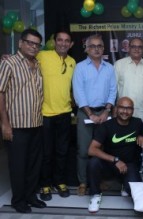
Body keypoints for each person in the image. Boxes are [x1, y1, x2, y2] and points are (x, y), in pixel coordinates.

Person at [0, 29, 46, 213]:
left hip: (36, 123)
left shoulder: (37, 64)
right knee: (18, 165)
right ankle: (18, 200)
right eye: (30, 42)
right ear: (20, 43)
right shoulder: (8, 63)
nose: (33, 47)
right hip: (16, 126)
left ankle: (30, 196)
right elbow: (0, 93)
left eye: (37, 44)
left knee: (34, 164)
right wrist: (4, 124)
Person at [72, 34, 117, 196]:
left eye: (99, 46)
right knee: (84, 150)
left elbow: (113, 91)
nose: (96, 49)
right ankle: (83, 182)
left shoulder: (110, 68)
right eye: (93, 46)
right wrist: (90, 114)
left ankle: (99, 181)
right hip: (85, 112)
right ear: (87, 49)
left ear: (103, 49)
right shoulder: (80, 67)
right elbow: (79, 93)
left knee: (103, 150)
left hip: (105, 113)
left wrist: (106, 111)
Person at [87, 97, 143, 213]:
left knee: (135, 194)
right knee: (93, 162)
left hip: (129, 164)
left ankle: (125, 184)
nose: (125, 111)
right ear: (116, 109)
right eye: (122, 107)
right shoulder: (106, 126)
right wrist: (115, 160)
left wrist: (141, 136)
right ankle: (95, 194)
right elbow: (91, 150)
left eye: (128, 108)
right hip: (110, 163)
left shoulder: (137, 123)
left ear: (133, 110)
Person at [38, 30, 75, 201]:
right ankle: (45, 184)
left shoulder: (73, 61)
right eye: (60, 40)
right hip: (45, 113)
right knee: (46, 152)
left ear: (71, 44)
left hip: (65, 113)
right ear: (55, 41)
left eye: (66, 41)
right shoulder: (42, 56)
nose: (63, 43)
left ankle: (59, 182)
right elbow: (24, 58)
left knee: (62, 151)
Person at [114, 37, 143, 119]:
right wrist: (114, 109)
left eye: (140, 47)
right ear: (129, 48)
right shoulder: (119, 64)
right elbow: (113, 89)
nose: (136, 49)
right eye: (133, 46)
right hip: (123, 112)